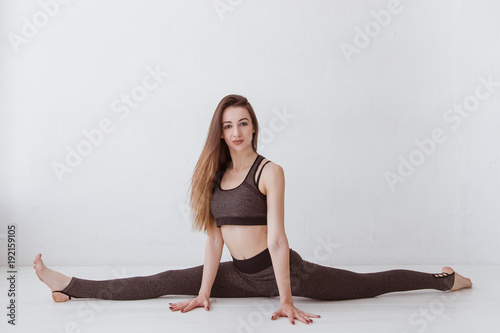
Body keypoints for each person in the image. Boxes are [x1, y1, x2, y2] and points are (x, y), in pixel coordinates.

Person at [34, 94, 472, 325]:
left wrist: (286, 298)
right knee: (166, 280)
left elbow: (279, 239)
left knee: (367, 285)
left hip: (284, 271)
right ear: (220, 134)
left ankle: (445, 280)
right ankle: (72, 285)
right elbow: (214, 239)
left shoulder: (270, 171)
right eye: (228, 126)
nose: (236, 130)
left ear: (254, 126)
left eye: (242, 122)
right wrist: (204, 293)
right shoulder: (214, 176)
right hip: (238, 276)